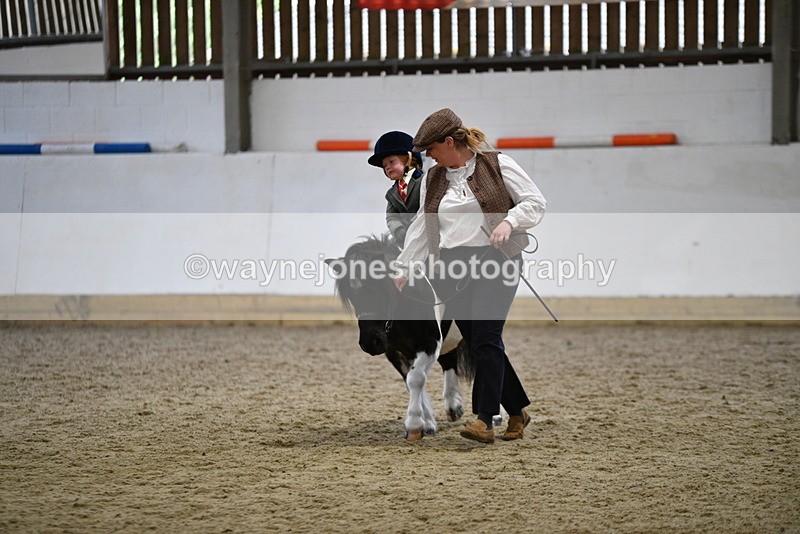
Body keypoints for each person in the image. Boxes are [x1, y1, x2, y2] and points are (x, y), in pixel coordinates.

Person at [393, 108, 546, 444]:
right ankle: (518, 410)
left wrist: (508, 222)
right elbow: (422, 226)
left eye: (431, 149)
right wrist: (404, 266)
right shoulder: (435, 178)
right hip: (452, 267)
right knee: (478, 343)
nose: (428, 157)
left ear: (449, 142)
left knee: (487, 338)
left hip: (496, 261)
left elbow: (535, 202)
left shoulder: (497, 163)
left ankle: (484, 420)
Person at [368, 131, 424, 246]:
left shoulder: (424, 182)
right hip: (404, 239)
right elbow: (391, 217)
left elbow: (427, 208)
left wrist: (411, 227)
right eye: (384, 166)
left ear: (408, 159)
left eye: (391, 162)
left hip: (426, 233)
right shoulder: (391, 194)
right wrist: (398, 230)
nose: (387, 167)